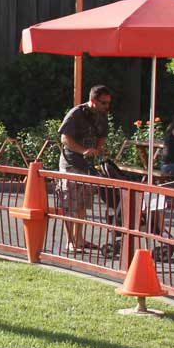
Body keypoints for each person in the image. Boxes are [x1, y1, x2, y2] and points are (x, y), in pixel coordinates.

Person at [57, 85, 112, 252]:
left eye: (108, 103)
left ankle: (79, 239)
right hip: (71, 163)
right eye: (103, 103)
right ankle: (70, 241)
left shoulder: (102, 116)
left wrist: (99, 148)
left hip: (87, 166)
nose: (106, 106)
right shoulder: (76, 114)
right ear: (93, 100)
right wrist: (83, 151)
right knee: (69, 203)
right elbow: (65, 138)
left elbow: (102, 135)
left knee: (82, 204)